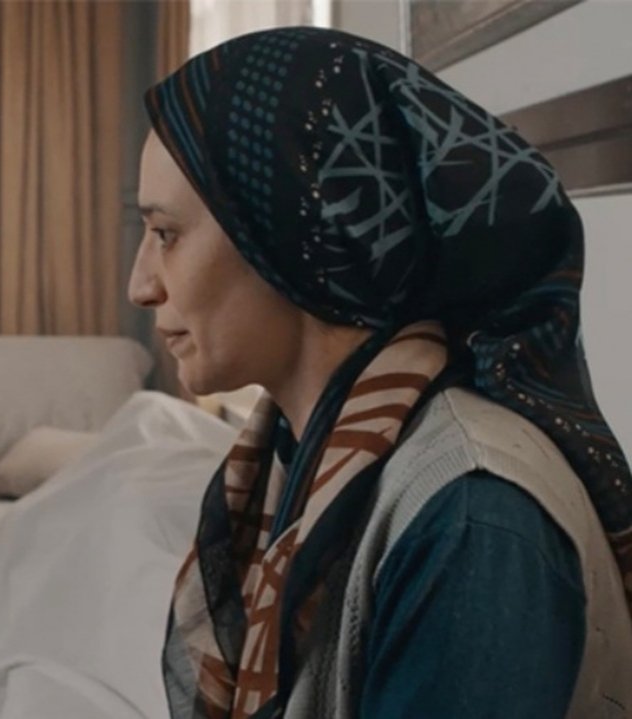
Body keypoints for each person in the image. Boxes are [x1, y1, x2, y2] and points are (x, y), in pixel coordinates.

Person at [129, 27, 632, 719]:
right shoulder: (296, 455)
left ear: (284, 237)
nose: (140, 286)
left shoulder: (470, 522)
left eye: (165, 234)